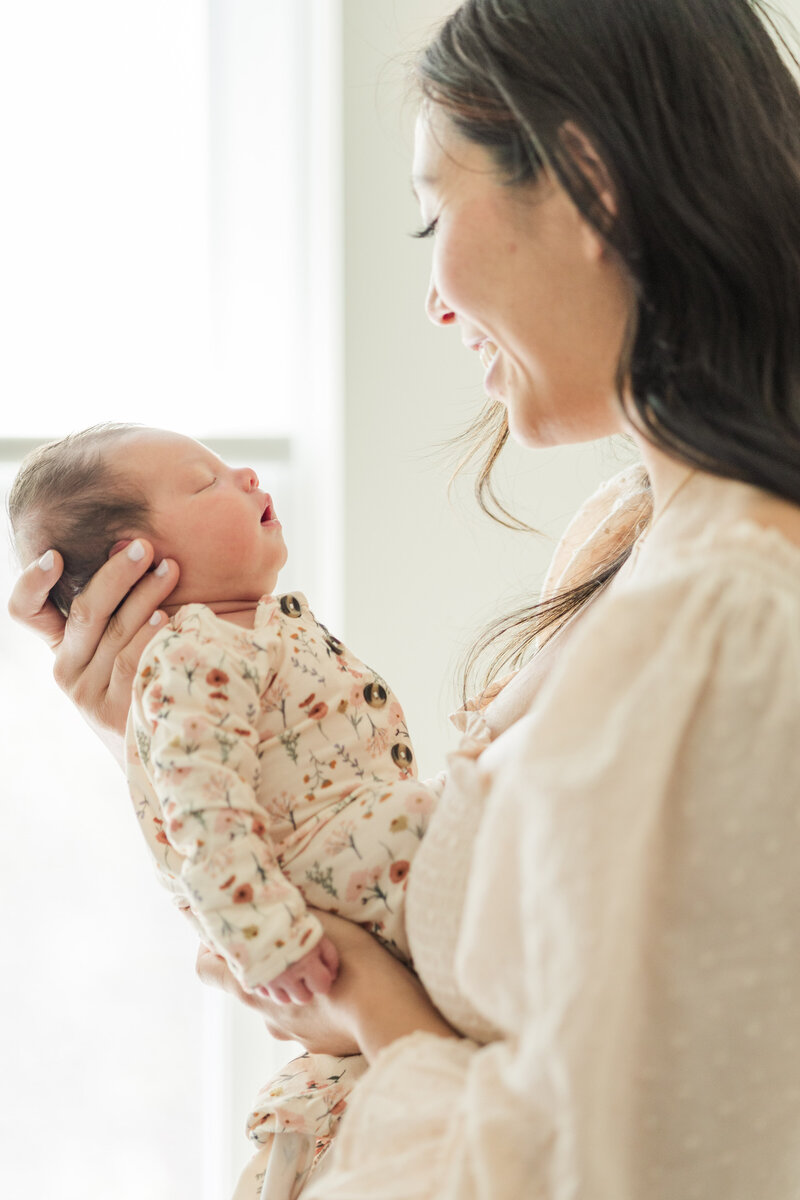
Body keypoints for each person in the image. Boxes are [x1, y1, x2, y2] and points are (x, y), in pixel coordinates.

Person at [9, 0, 800, 1195]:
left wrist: (368, 1007)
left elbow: (615, 1158)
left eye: (433, 210)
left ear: (587, 183)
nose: (432, 298)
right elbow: (535, 993)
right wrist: (178, 747)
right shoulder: (628, 541)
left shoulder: (723, 615)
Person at [8, 423, 445, 1198]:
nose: (243, 474)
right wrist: (267, 940)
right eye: (203, 482)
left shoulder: (258, 631)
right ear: (134, 560)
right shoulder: (194, 651)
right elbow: (201, 804)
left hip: (369, 861)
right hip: (347, 865)